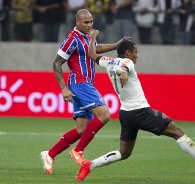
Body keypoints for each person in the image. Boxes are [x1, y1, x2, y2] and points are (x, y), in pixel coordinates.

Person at [75, 31, 195, 181]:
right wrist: (123, 73)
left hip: (126, 114)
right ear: (128, 52)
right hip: (140, 111)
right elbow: (124, 68)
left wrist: (93, 37)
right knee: (177, 132)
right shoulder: (127, 63)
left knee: (124, 153)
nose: (137, 55)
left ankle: (90, 165)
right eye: (136, 52)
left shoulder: (108, 61)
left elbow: (92, 55)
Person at [40, 9, 129, 175]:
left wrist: (116, 45)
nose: (89, 25)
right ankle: (78, 150)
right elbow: (57, 63)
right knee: (104, 115)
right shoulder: (71, 40)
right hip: (79, 83)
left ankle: (49, 154)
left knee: (81, 129)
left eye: (91, 22)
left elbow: (96, 49)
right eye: (86, 22)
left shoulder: (88, 37)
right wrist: (63, 88)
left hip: (86, 83)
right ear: (77, 22)